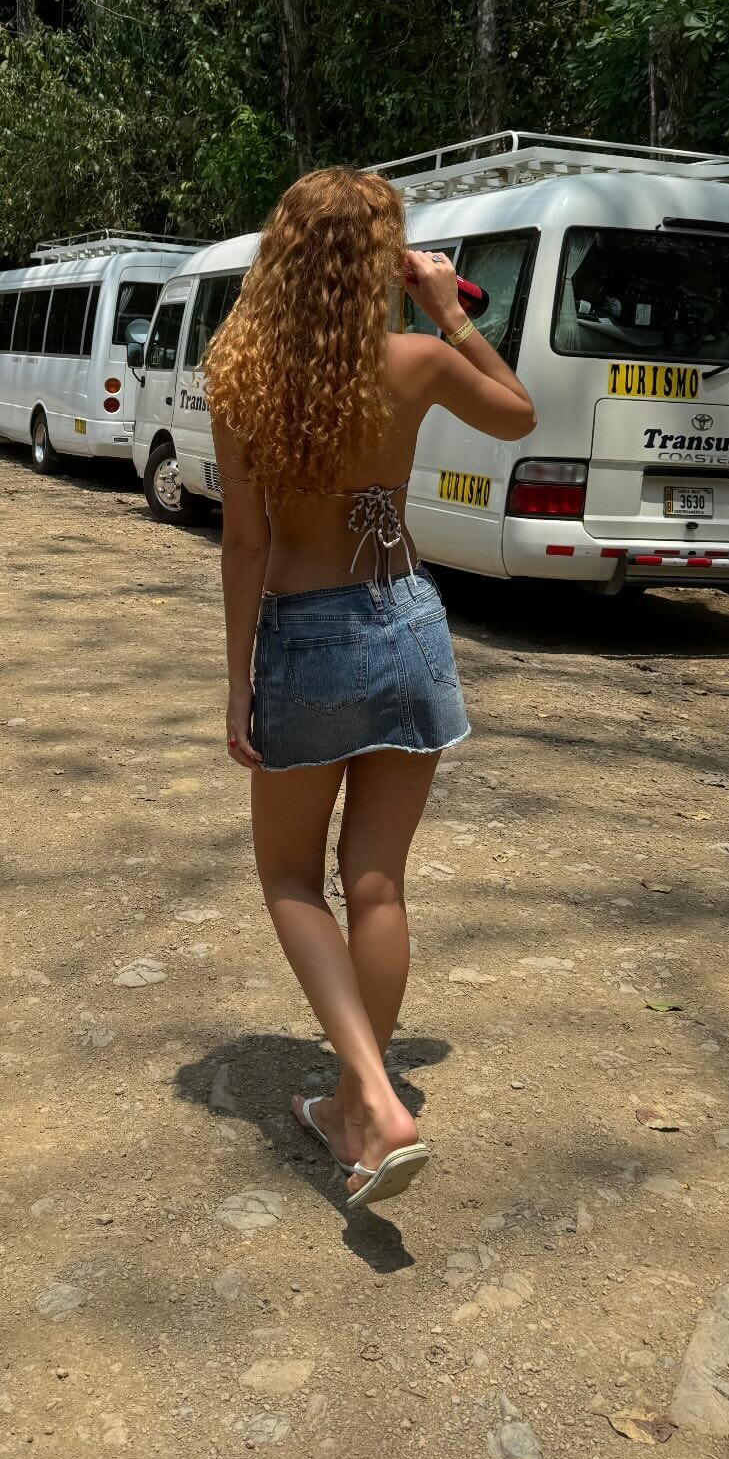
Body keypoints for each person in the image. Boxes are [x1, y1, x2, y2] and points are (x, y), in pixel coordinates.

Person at [205, 168, 536, 1214]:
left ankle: (377, 1102)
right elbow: (517, 415)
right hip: (408, 622)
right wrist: (446, 311)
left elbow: (246, 544)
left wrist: (237, 680)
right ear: (379, 263)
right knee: (379, 884)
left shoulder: (239, 375)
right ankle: (354, 1106)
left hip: (306, 635)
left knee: (290, 880)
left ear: (283, 257)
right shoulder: (418, 360)